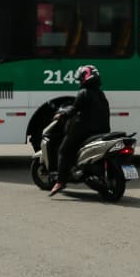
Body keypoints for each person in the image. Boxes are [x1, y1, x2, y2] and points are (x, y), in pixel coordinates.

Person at [51, 64, 111, 196]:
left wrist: (62, 114)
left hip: (85, 130)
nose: (79, 82)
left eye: (80, 79)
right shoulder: (101, 94)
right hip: (102, 130)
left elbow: (73, 110)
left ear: (85, 77)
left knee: (64, 150)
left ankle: (60, 181)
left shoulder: (83, 93)